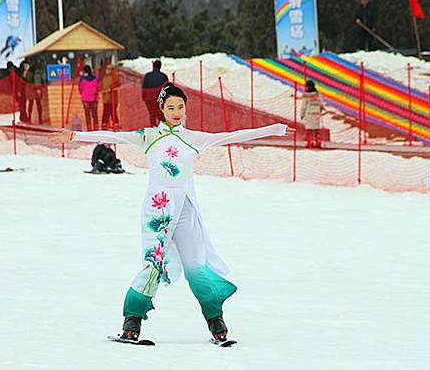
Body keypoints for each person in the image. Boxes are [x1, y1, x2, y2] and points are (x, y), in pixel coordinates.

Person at [49, 82, 291, 344]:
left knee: (195, 267)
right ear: (162, 109)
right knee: (152, 264)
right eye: (171, 107)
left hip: (185, 208)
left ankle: (216, 323)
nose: (176, 111)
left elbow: (232, 135)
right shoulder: (149, 136)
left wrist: (275, 130)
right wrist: (75, 136)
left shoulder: (194, 138)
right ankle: (132, 323)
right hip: (157, 210)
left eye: (180, 106)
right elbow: (115, 135)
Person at [141, 60, 168, 126]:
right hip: (159, 99)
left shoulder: (147, 76)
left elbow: (144, 87)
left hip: (149, 99)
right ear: (160, 67)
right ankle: (162, 128)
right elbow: (167, 89)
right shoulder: (164, 77)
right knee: (161, 114)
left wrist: (144, 97)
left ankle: (153, 127)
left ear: (153, 66)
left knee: (152, 114)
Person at [299, 80, 325, 148]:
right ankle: (318, 140)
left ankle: (310, 141)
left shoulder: (306, 95)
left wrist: (302, 114)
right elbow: (321, 104)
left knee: (309, 129)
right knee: (316, 128)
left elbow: (304, 106)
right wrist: (320, 110)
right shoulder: (318, 94)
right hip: (316, 113)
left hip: (309, 113)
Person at [79, 65, 100, 131]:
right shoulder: (95, 79)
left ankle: (89, 126)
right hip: (94, 98)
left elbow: (80, 89)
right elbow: (98, 88)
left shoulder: (82, 79)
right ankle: (96, 126)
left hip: (85, 98)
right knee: (95, 113)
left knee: (87, 113)